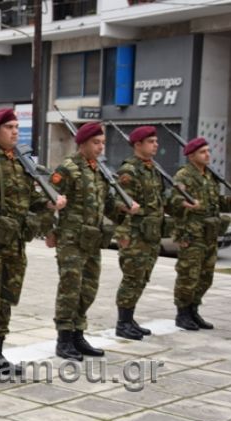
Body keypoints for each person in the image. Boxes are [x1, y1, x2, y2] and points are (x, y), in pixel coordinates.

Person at [0, 108, 66, 383]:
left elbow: (27, 201)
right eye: (9, 127)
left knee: (5, 300)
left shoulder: (20, 162)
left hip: (14, 245)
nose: (15, 131)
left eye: (17, 126)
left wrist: (48, 202)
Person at [46, 122, 139, 361]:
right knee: (70, 289)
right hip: (71, 240)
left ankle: (78, 334)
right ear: (83, 143)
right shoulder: (68, 168)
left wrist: (124, 210)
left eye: (102, 143)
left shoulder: (99, 171)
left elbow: (107, 205)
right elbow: (47, 198)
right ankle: (64, 339)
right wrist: (48, 230)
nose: (100, 148)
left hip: (92, 239)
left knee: (88, 289)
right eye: (96, 143)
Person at [170, 137, 231, 330]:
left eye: (208, 151)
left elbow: (216, 201)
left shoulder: (209, 175)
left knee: (206, 276)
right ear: (192, 155)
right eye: (203, 152)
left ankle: (194, 310)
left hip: (209, 234)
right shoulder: (184, 175)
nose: (208, 154)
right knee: (189, 275)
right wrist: (184, 204)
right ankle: (183, 314)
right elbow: (174, 202)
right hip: (191, 234)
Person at [114, 126, 170, 340]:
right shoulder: (130, 171)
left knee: (142, 278)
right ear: (138, 145)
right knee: (132, 278)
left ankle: (130, 319)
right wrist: (123, 234)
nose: (156, 145)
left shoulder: (152, 169)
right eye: (151, 141)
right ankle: (122, 322)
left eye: (156, 141)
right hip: (136, 235)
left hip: (151, 235)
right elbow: (124, 205)